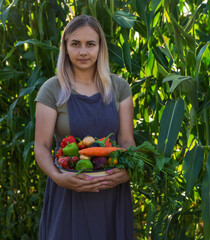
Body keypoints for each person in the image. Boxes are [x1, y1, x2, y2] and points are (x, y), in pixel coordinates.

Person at [34, 15, 135, 240]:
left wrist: (127, 171)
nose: (83, 52)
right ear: (65, 47)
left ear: (100, 47)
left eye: (90, 44)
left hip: (111, 190)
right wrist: (57, 176)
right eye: (75, 44)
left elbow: (127, 140)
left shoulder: (119, 87)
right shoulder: (52, 90)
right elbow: (41, 146)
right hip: (68, 189)